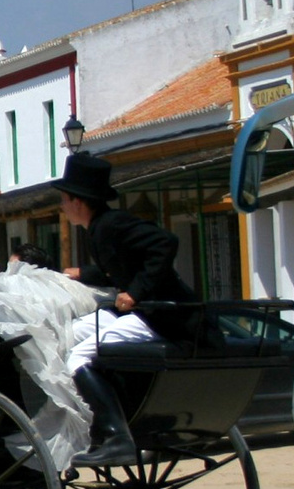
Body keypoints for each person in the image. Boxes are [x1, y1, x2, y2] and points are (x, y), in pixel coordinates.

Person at [53, 153, 196, 468]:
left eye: (64, 199)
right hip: (145, 314)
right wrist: (81, 273)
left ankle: (118, 437)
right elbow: (116, 271)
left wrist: (136, 292)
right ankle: (94, 418)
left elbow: (165, 242)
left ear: (78, 201)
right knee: (67, 335)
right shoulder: (100, 227)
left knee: (79, 356)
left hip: (159, 318)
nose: (63, 206)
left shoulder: (112, 224)